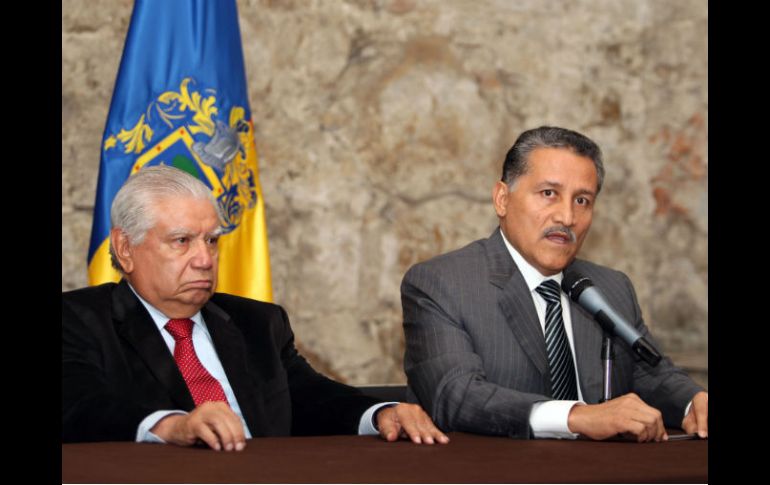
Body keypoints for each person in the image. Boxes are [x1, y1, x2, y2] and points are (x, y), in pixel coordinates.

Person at [63, 165, 449, 451]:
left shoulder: (257, 323)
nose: (204, 259)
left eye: (212, 241)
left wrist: (380, 413)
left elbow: (308, 396)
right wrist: (171, 426)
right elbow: (80, 406)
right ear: (125, 248)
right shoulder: (81, 320)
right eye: (181, 241)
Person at [401, 126, 707, 442]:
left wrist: (692, 402)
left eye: (582, 200)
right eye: (549, 193)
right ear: (502, 199)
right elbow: (456, 395)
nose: (566, 216)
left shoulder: (610, 288)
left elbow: (651, 374)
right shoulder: (443, 284)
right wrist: (576, 417)